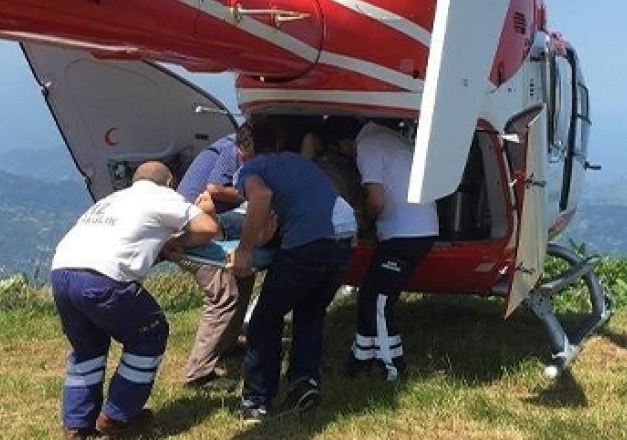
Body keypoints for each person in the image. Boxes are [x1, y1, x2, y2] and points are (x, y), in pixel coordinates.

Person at [50, 161, 220, 439]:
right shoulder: (164, 196)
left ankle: (77, 424)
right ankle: (117, 416)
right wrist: (176, 242)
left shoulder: (111, 200)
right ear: (169, 181)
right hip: (103, 278)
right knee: (149, 333)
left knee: (87, 348)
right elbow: (207, 227)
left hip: (61, 273)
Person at [229, 121, 353, 422]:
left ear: (243, 150)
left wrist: (244, 250)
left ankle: (256, 399)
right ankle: (304, 383)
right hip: (345, 237)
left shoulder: (250, 169)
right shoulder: (297, 162)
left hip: (309, 242)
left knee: (265, 318)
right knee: (310, 312)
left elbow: (260, 197)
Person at [343, 120, 439, 381]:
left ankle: (393, 367)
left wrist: (365, 222)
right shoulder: (391, 138)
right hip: (420, 228)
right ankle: (360, 359)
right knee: (369, 295)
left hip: (404, 233)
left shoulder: (367, 145)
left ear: (346, 142)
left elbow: (376, 199)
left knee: (379, 302)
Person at [173, 126, 254, 392]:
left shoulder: (234, 144)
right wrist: (254, 193)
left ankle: (226, 346)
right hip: (192, 231)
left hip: (203, 225)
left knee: (243, 275)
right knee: (223, 295)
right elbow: (214, 188)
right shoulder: (232, 148)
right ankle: (199, 374)